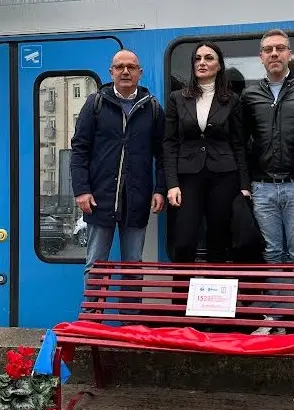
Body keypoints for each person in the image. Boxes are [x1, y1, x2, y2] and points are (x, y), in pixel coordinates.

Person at [241, 29, 294, 336]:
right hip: (262, 186)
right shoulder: (249, 96)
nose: (274, 54)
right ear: (261, 57)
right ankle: (274, 317)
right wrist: (245, 180)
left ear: (289, 54)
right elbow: (242, 142)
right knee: (273, 252)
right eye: (268, 50)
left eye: (280, 49)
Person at [71, 49, 165, 291]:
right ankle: (92, 320)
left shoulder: (152, 108)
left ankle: (130, 323)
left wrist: (160, 189)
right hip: (99, 199)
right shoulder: (96, 103)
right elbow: (79, 148)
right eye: (120, 66)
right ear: (111, 72)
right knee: (95, 265)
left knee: (133, 266)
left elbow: (163, 154)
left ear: (140, 73)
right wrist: (81, 190)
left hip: (136, 199)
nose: (125, 71)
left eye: (131, 67)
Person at [163, 41, 250, 263]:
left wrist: (244, 186)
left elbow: (239, 144)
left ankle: (216, 297)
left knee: (218, 242)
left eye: (209, 58)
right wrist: (171, 184)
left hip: (224, 175)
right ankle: (181, 298)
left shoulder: (232, 100)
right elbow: (170, 143)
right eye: (198, 58)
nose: (202, 62)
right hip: (187, 177)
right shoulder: (177, 98)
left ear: (219, 65)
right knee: (183, 242)